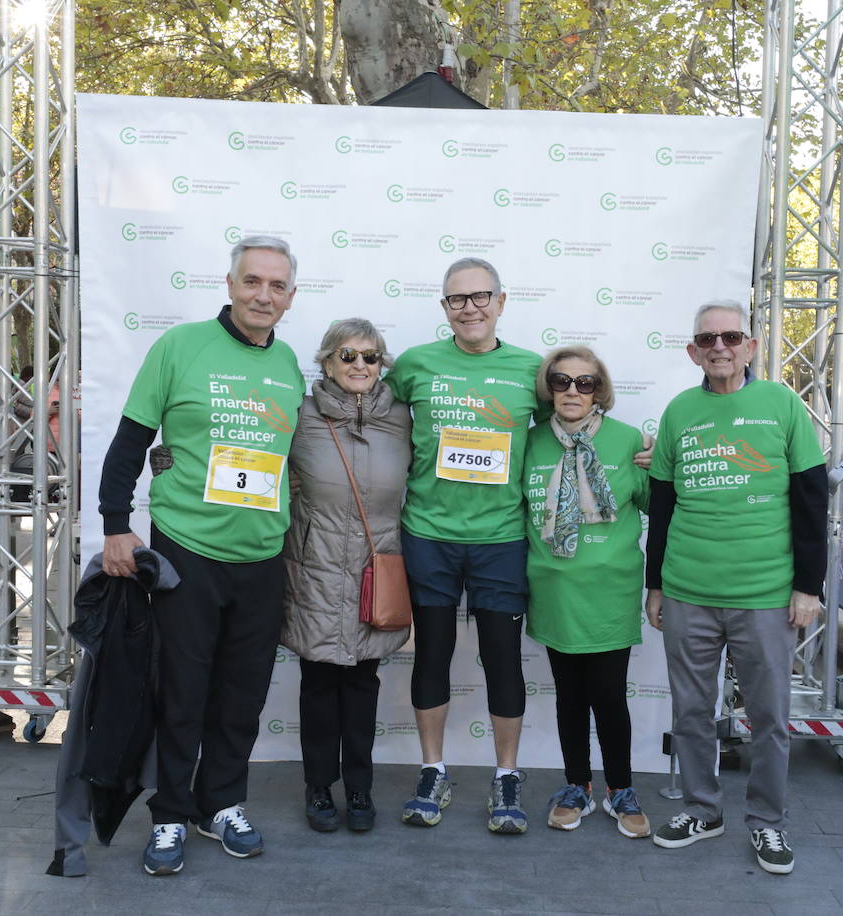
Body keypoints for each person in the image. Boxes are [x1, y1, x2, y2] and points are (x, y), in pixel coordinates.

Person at [98, 236, 304, 876]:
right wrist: (114, 525)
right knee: (181, 690)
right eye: (252, 282)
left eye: (276, 286)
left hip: (264, 555)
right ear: (230, 283)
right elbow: (131, 442)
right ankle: (169, 813)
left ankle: (223, 804)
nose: (262, 295)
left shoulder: (291, 363)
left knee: (242, 692)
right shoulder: (179, 348)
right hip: (188, 551)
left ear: (290, 297)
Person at [645, 301, 827, 875]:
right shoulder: (679, 412)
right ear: (693, 351)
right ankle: (703, 809)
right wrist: (655, 586)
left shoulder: (782, 405)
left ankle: (768, 823)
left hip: (766, 595)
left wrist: (807, 585)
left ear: (750, 346)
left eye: (730, 336)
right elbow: (663, 507)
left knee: (769, 717)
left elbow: (811, 501)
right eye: (707, 339)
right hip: (687, 592)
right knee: (692, 710)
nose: (719, 346)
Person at [385, 257, 545, 835]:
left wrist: (634, 450)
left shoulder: (532, 369)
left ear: (502, 301)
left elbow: (571, 429)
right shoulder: (415, 365)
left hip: (501, 540)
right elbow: (369, 416)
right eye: (457, 300)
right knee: (431, 655)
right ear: (444, 308)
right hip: (428, 536)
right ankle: (433, 769)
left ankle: (507, 776)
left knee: (502, 659)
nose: (470, 307)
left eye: (481, 297)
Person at [280, 319, 411, 833]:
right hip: (315, 569)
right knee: (317, 683)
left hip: (375, 570)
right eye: (348, 355)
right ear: (327, 361)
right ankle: (318, 787)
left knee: (362, 684)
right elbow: (247, 448)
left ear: (383, 365)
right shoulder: (299, 414)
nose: (360, 365)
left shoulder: (403, 418)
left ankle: (359, 788)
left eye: (371, 357)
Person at [523, 346, 652, 839]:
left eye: (586, 383)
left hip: (610, 593)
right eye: (561, 381)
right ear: (548, 387)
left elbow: (662, 506)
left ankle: (621, 788)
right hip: (553, 591)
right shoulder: (530, 442)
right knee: (569, 697)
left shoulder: (629, 442)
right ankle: (577, 784)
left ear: (601, 390)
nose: (573, 391)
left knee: (608, 694)